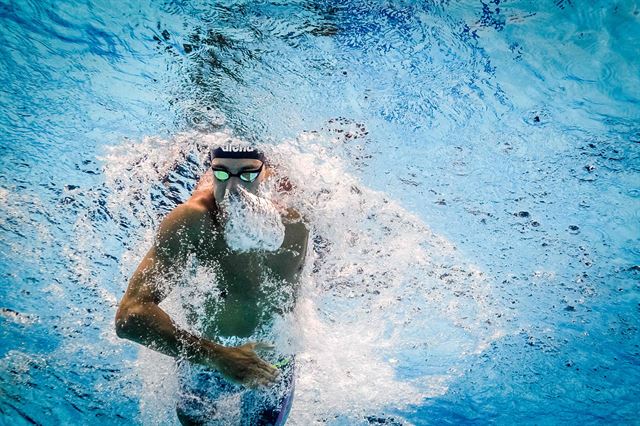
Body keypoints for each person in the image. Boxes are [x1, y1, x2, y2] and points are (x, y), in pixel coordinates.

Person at [115, 141, 309, 425]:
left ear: (266, 174)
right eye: (221, 173)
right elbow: (129, 317)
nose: (231, 187)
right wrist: (218, 356)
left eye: (246, 175)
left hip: (271, 365)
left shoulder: (297, 223)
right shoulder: (191, 221)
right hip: (205, 364)